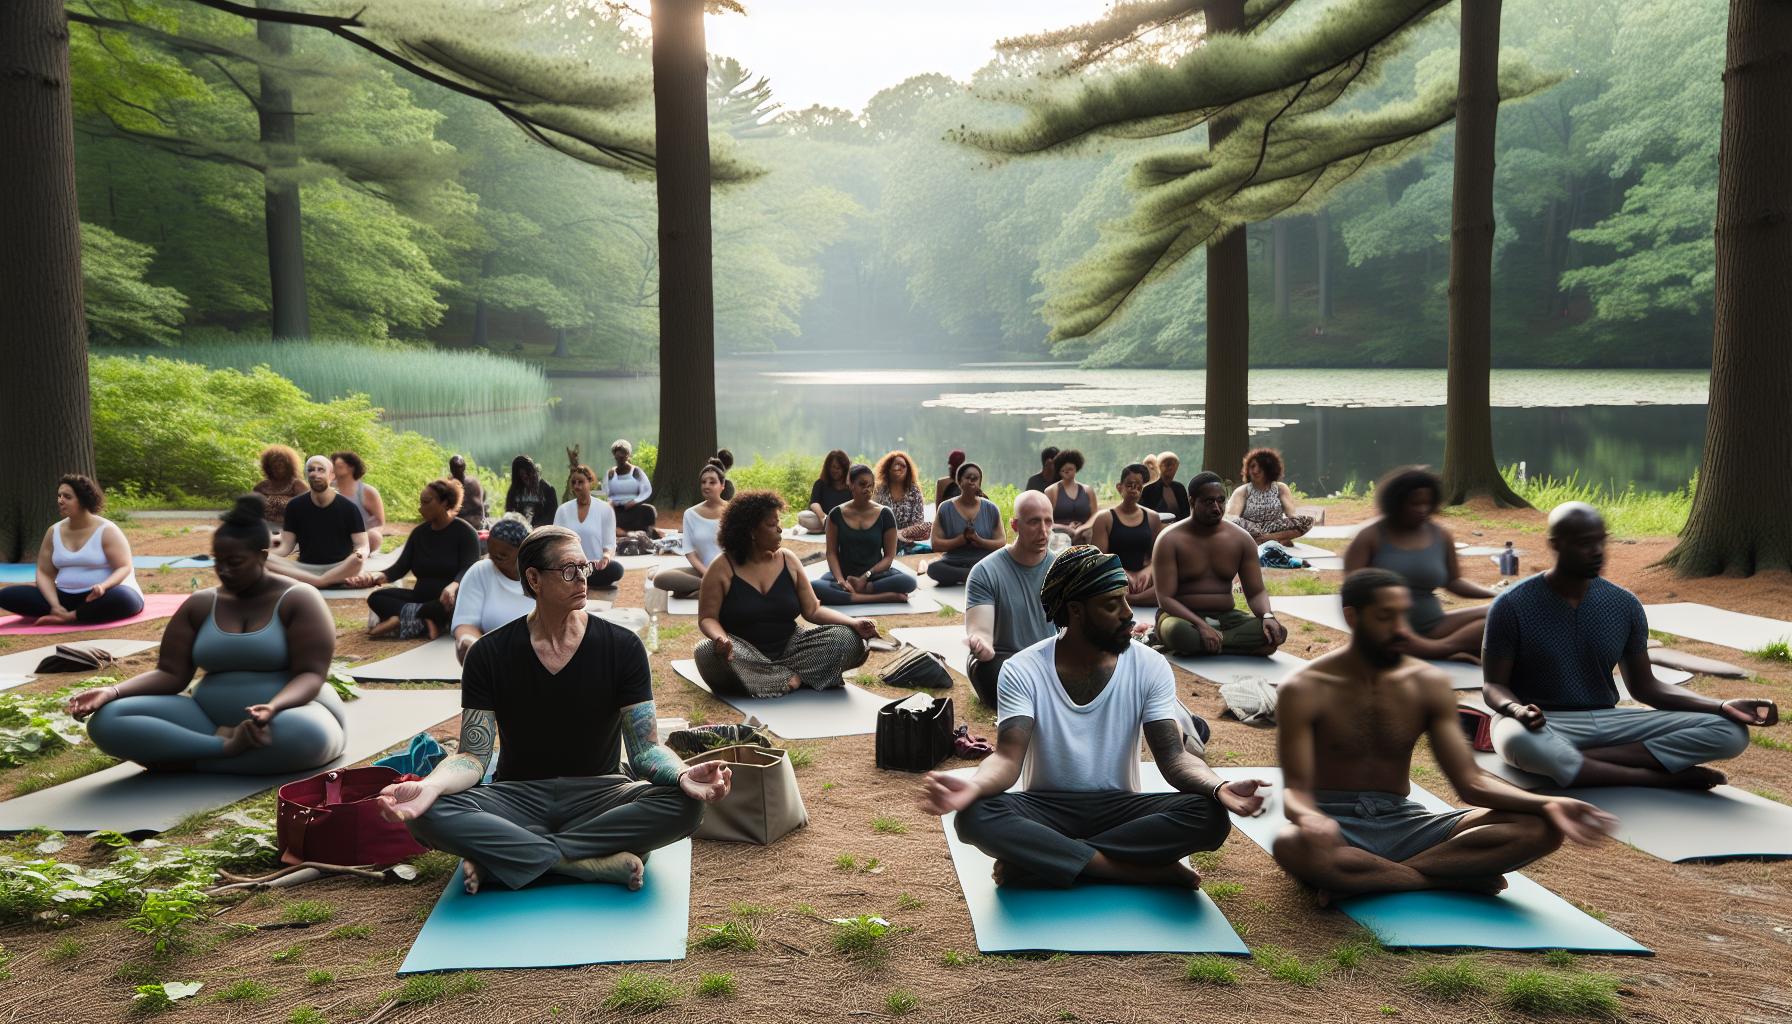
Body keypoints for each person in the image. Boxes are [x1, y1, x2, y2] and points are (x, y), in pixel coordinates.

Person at [377, 524, 730, 894]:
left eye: (584, 567)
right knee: (428, 813)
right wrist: (430, 785)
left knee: (686, 806)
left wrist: (681, 775)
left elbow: (645, 750)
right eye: (568, 570)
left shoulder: (622, 647)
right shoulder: (488, 654)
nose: (582, 578)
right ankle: (581, 864)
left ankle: (509, 858)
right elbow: (473, 756)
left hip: (602, 794)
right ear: (534, 578)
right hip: (516, 796)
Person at [917, 546, 1265, 889]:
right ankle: (1132, 871)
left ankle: (1045, 863)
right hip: (1046, 809)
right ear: (1076, 610)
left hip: (1120, 810)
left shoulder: (1150, 666)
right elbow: (1008, 758)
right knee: (975, 817)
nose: (1128, 614)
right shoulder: (1022, 669)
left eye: (1125, 600)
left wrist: (1218, 786)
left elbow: (1174, 757)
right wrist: (974, 786)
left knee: (1209, 816)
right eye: (1112, 605)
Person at [1270, 568, 1616, 902]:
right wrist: (1310, 817)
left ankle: (1380, 877)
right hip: (1334, 822)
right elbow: (1295, 793)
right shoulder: (1304, 688)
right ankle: (1451, 878)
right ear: (1353, 617)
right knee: (1290, 843)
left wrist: (1550, 803)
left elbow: (1472, 782)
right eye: (1385, 617)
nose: (1399, 629)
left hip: (1405, 822)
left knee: (1542, 828)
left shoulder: (1428, 685)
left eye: (1403, 616)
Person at [1483, 503, 1775, 789]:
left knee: (1730, 732)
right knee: (1514, 740)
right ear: (1556, 544)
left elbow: (1646, 687)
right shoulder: (1512, 605)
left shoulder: (1624, 605)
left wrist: (1721, 706)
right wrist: (1517, 710)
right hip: (1542, 723)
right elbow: (1493, 686)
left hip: (1608, 721)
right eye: (1586, 543)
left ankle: (1574, 762)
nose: (1597, 551)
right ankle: (1654, 778)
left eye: (1601, 541)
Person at [66, 495, 346, 773]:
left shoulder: (300, 599)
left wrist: (273, 707)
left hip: (290, 712)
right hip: (208, 718)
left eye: (235, 562)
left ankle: (186, 756)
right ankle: (224, 749)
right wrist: (112, 692)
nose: (224, 571)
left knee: (305, 735)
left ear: (262, 556)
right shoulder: (200, 604)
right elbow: (170, 674)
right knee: (108, 720)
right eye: (217, 561)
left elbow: (310, 675)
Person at [693, 491, 877, 698]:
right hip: (742, 651)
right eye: (772, 525)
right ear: (751, 532)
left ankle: (772, 679)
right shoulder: (722, 566)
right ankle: (792, 677)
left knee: (847, 639)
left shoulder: (788, 560)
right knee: (707, 652)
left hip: (792, 649)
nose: (780, 530)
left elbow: (813, 610)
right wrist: (721, 640)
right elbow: (708, 618)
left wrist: (853, 623)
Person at [1343, 467, 1495, 659]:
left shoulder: (1440, 535)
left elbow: (1454, 582)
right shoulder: (1370, 536)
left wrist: (1497, 594)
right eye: (1414, 503)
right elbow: (1352, 591)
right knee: (1490, 631)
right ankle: (1438, 649)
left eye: (1427, 503)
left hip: (1434, 625)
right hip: (1388, 629)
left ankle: (1440, 648)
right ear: (1396, 503)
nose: (1422, 509)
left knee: (1499, 613)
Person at [1152, 472, 1287, 658]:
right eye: (1208, 501)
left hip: (1227, 618)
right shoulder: (1169, 539)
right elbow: (1165, 598)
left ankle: (1213, 642)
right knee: (1180, 634)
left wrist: (1267, 616)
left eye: (1221, 500)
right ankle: (1231, 644)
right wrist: (1201, 626)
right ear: (1192, 502)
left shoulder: (1241, 539)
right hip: (1182, 619)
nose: (1217, 507)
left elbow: (1256, 592)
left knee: (1276, 632)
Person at [0, 475, 145, 625]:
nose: (60, 500)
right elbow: (44, 572)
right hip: (65, 598)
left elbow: (124, 566)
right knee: (6, 595)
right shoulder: (53, 532)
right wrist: (55, 605)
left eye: (67, 497)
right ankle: (65, 613)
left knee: (123, 599)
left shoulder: (107, 530)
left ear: (83, 500)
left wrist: (103, 587)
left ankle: (72, 616)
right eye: (59, 496)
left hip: (105, 594)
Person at [349, 479, 480, 640]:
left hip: (448, 599)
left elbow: (470, 569)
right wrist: (373, 577)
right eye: (420, 502)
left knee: (450, 606)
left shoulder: (466, 533)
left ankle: (407, 617)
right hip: (421, 597)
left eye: (426, 502)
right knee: (376, 598)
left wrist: (453, 587)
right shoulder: (419, 533)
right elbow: (399, 568)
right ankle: (424, 618)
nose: (420, 508)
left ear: (445, 503)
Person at [963, 491, 1058, 706]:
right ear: (1015, 525)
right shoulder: (985, 571)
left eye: (1048, 522)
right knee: (987, 671)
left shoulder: (1061, 568)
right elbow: (980, 630)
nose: (1043, 531)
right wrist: (981, 644)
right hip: (1006, 661)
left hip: (1050, 660)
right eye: (1034, 522)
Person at [812, 464, 919, 606]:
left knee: (909, 582)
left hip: (876, 577)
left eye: (870, 485)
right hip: (846, 577)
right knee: (814, 587)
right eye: (862, 484)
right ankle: (882, 597)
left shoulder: (885, 514)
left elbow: (889, 556)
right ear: (851, 484)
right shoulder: (835, 514)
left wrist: (865, 577)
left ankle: (857, 593)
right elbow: (831, 553)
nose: (867, 489)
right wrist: (840, 581)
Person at [266, 455, 368, 589]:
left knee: (356, 561)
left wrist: (360, 553)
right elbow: (286, 547)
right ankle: (321, 582)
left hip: (339, 568)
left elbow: (362, 544)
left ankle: (319, 581)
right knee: (264, 559)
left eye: (321, 470)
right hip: (305, 568)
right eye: (311, 470)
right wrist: (263, 555)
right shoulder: (294, 506)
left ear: (331, 475)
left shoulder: (349, 507)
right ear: (306, 475)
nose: (315, 474)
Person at [450, 514, 536, 664]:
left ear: (523, 551)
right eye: (490, 550)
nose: (493, 557)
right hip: (492, 659)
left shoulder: (542, 575)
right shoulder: (480, 571)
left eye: (503, 555)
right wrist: (471, 644)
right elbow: (465, 624)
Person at [1091, 463, 1163, 605]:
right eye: (1130, 485)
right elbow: (1099, 559)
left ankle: (1129, 600)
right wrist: (1121, 572)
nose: (1134, 490)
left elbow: (1158, 557)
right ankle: (1133, 599)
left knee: (1169, 579)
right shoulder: (1104, 518)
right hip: (1115, 578)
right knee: (1099, 579)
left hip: (1144, 583)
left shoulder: (1153, 518)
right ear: (1119, 487)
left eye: (1138, 487)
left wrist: (1148, 570)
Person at [653, 464, 729, 598]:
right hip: (702, 571)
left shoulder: (733, 511)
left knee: (678, 591)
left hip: (730, 572)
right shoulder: (690, 514)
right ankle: (712, 588)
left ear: (722, 485)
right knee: (660, 579)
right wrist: (707, 575)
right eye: (703, 482)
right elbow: (690, 553)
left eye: (712, 482)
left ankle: (702, 590)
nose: (707, 486)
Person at [925, 462, 1004, 587]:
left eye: (975, 479)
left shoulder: (991, 508)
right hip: (954, 561)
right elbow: (936, 544)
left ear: (979, 483)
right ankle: (975, 576)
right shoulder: (945, 508)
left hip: (983, 561)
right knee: (933, 568)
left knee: (1003, 565)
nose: (971, 481)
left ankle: (971, 575)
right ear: (959, 481)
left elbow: (1001, 542)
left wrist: (979, 541)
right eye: (968, 478)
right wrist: (961, 540)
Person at [552, 466, 626, 589]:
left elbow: (610, 544)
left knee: (616, 569)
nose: (576, 486)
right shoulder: (563, 510)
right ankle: (579, 580)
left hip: (593, 567)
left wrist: (605, 558)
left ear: (590, 483)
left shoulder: (605, 509)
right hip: (570, 567)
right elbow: (556, 543)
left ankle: (579, 581)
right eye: (573, 482)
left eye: (580, 482)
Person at [1226, 448, 1314, 544]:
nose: (1255, 471)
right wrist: (1252, 529)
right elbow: (1232, 517)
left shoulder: (1280, 488)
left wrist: (1291, 523)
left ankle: (1267, 539)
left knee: (1306, 521)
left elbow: (1291, 515)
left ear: (1269, 469)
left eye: (1260, 467)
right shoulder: (1242, 491)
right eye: (1252, 466)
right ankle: (1277, 539)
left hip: (1274, 529)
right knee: (1234, 522)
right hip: (1251, 529)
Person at [331, 451, 385, 556]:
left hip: (360, 539)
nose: (333, 469)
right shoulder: (326, 488)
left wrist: (372, 534)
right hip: (333, 537)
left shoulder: (368, 491)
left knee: (374, 536)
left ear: (351, 468)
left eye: (338, 466)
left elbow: (380, 523)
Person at [874, 450, 930, 544]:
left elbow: (918, 522)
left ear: (908, 471)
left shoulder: (914, 491)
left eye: (903, 466)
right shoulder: (879, 490)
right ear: (888, 468)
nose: (899, 468)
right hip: (883, 540)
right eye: (896, 465)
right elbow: (874, 520)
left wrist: (902, 533)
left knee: (929, 526)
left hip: (907, 539)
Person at [605, 439, 658, 534]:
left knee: (650, 510)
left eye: (622, 458)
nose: (619, 461)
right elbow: (608, 492)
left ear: (627, 456)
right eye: (617, 458)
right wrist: (611, 502)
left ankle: (645, 531)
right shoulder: (611, 473)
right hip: (617, 510)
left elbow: (646, 491)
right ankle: (620, 531)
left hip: (634, 509)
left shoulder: (636, 471)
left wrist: (634, 502)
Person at [1042, 449, 1098, 538]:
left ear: (1076, 468)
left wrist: (1082, 528)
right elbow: (1045, 519)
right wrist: (1066, 528)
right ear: (1059, 471)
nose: (1067, 472)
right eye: (1063, 470)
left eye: (1070, 469)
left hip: (1085, 533)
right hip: (1058, 534)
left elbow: (1095, 516)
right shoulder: (1051, 491)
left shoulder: (1088, 490)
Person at [253, 444, 308, 532]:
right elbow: (251, 511)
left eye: (281, 466)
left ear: (289, 467)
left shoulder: (297, 485)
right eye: (274, 467)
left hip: (289, 532)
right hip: (264, 531)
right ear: (268, 467)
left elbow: (307, 512)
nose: (278, 470)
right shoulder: (261, 487)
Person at [797, 450, 852, 534]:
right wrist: (823, 518)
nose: (835, 471)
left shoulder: (851, 485)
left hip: (846, 520)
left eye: (838, 468)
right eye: (833, 467)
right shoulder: (820, 483)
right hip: (823, 519)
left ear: (845, 469)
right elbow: (814, 503)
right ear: (828, 467)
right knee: (802, 516)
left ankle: (829, 530)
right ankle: (829, 529)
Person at [503, 455, 558, 528]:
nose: (525, 477)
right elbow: (509, 513)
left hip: (541, 533)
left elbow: (552, 517)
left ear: (534, 471)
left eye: (528, 474)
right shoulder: (514, 491)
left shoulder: (548, 489)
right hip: (518, 532)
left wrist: (537, 528)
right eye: (522, 476)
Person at [1141, 451, 1190, 522]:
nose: (1170, 468)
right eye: (1167, 464)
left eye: (1173, 464)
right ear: (1158, 466)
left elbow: (1186, 512)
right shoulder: (1148, 489)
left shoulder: (1180, 487)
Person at [449, 455, 487, 531]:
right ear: (451, 468)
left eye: (460, 467)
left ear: (464, 467)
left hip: (473, 520)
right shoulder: (448, 484)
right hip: (455, 520)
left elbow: (479, 505)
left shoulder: (472, 483)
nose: (458, 470)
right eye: (455, 467)